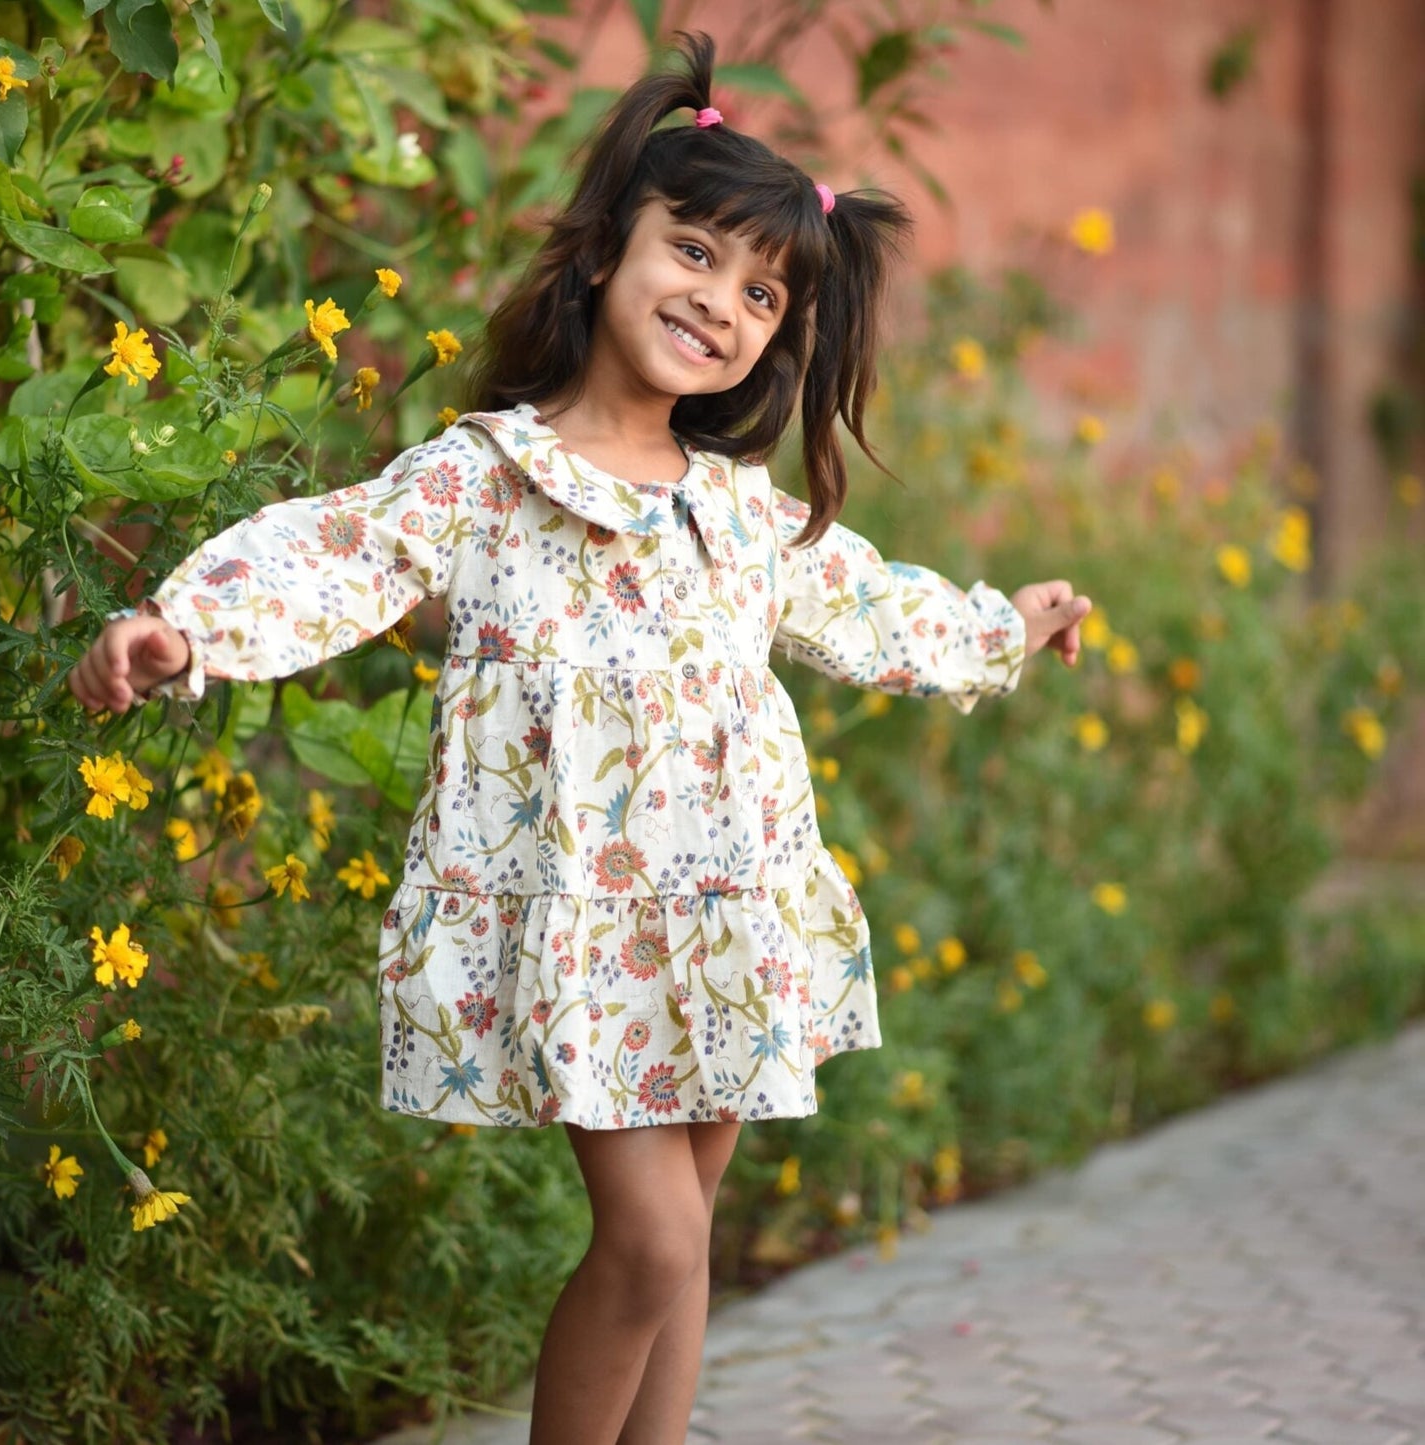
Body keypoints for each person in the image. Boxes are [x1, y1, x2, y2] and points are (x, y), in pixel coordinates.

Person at [68, 33, 1092, 1445]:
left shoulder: (738, 511)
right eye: (694, 253)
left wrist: (1013, 621)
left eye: (760, 293)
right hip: (583, 925)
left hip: (730, 902)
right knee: (655, 1246)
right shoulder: (488, 475)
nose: (719, 304)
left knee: (689, 1250)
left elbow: (879, 610)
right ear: (611, 248)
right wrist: (182, 626)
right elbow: (336, 554)